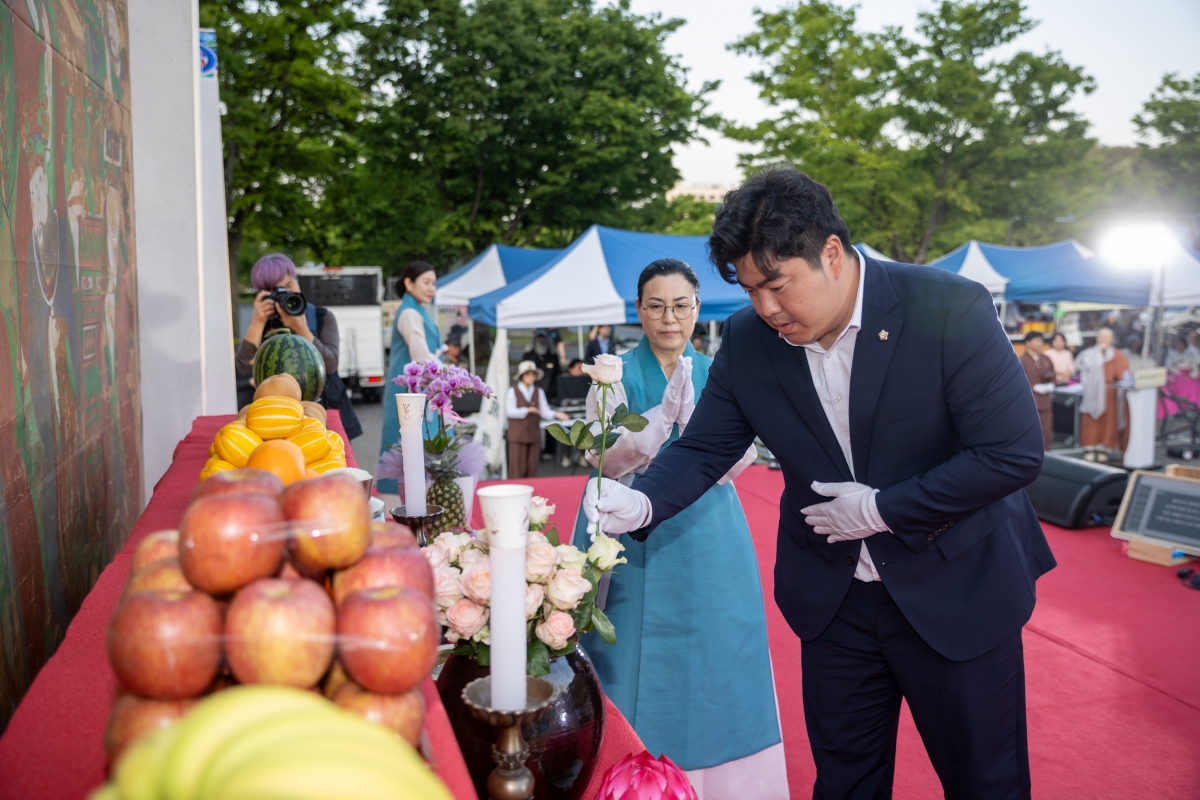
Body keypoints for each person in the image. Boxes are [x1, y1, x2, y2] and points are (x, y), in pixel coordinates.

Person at [584, 169, 1054, 800]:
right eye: (750, 291)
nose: (766, 308)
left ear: (831, 253)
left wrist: (886, 509)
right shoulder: (751, 340)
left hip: (956, 587)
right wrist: (643, 501)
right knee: (845, 782)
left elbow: (1012, 452)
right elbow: (707, 444)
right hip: (836, 601)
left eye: (777, 285)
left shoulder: (948, 308)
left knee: (985, 781)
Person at [571, 259, 784, 797]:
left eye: (681, 305)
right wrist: (656, 428)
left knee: (715, 642)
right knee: (627, 644)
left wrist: (697, 432)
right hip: (629, 525)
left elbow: (742, 462)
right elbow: (602, 460)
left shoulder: (721, 370)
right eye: (657, 306)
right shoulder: (610, 373)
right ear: (639, 310)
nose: (670, 318)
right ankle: (627, 771)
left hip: (708, 525)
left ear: (696, 309)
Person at [236, 253, 362, 439]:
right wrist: (257, 323)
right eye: (275, 291)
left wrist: (300, 328)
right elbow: (244, 366)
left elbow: (331, 365)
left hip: (323, 406)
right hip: (278, 414)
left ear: (297, 281)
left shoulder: (322, 317)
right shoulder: (263, 323)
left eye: (289, 285)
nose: (285, 294)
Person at [380, 261, 440, 494]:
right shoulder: (409, 313)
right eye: (426, 282)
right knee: (410, 446)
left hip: (414, 392)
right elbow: (421, 355)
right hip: (410, 394)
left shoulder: (414, 311)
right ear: (409, 283)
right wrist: (449, 375)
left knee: (411, 447)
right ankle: (409, 510)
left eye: (434, 283)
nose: (431, 288)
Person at [505, 360, 568, 478]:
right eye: (527, 374)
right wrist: (528, 410)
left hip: (533, 435)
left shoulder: (538, 391)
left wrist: (556, 414)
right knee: (517, 469)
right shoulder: (512, 391)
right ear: (521, 376)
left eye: (532, 374)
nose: (531, 377)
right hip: (517, 436)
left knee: (532, 467)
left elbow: (544, 410)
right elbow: (510, 412)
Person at [1078, 327, 1129, 456]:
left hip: (1110, 394)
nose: (1104, 340)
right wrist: (1099, 357)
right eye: (1102, 337)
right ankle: (1090, 447)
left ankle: (1104, 449)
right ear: (1097, 338)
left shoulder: (1118, 355)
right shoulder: (1088, 353)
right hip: (1091, 392)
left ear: (1112, 339)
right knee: (1091, 420)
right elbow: (1080, 367)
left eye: (1107, 337)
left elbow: (1124, 374)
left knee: (1109, 421)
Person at [1020, 332, 1056, 450]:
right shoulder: (1022, 360)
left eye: (1040, 340)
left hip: (1045, 400)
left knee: (1046, 429)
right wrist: (1033, 387)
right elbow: (1019, 380)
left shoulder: (1046, 358)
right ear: (1028, 343)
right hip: (1030, 401)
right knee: (1031, 429)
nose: (1039, 343)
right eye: (1036, 341)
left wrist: (1051, 384)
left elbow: (1052, 375)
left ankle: (1047, 455)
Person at [521, 329, 563, 403]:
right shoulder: (528, 356)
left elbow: (558, 374)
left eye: (543, 338)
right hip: (531, 393)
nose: (541, 340)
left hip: (550, 393)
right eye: (539, 338)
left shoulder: (553, 356)